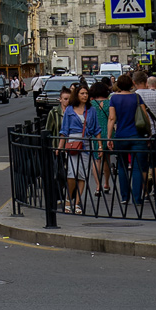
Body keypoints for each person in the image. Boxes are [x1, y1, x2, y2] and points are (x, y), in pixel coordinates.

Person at [108, 73, 148, 206]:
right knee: (137, 168)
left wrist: (109, 137)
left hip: (121, 136)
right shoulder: (136, 97)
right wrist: (148, 133)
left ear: (118, 85)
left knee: (122, 166)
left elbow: (112, 118)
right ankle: (137, 198)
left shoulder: (114, 98)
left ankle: (125, 197)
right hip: (137, 136)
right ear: (131, 84)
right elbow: (144, 116)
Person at [59, 84, 101, 214]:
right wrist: (59, 147)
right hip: (73, 143)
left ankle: (77, 203)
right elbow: (64, 130)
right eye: (82, 93)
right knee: (72, 173)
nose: (85, 96)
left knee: (82, 175)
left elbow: (96, 129)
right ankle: (68, 201)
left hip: (86, 144)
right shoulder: (70, 110)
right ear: (77, 95)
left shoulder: (91, 110)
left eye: (86, 93)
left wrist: (100, 145)